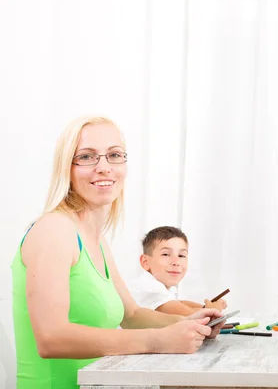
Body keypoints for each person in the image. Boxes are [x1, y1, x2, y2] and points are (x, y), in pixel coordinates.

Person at [11, 116, 226, 389]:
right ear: (67, 167)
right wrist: (157, 340)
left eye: (114, 155)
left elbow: (132, 315)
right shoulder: (54, 229)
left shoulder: (94, 238)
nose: (103, 167)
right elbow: (51, 337)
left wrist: (189, 323)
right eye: (87, 157)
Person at [129, 226, 228, 315]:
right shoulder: (148, 287)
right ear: (145, 262)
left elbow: (179, 303)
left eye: (181, 255)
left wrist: (206, 306)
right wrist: (213, 309)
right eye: (166, 254)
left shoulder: (160, 287)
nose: (176, 262)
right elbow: (189, 315)